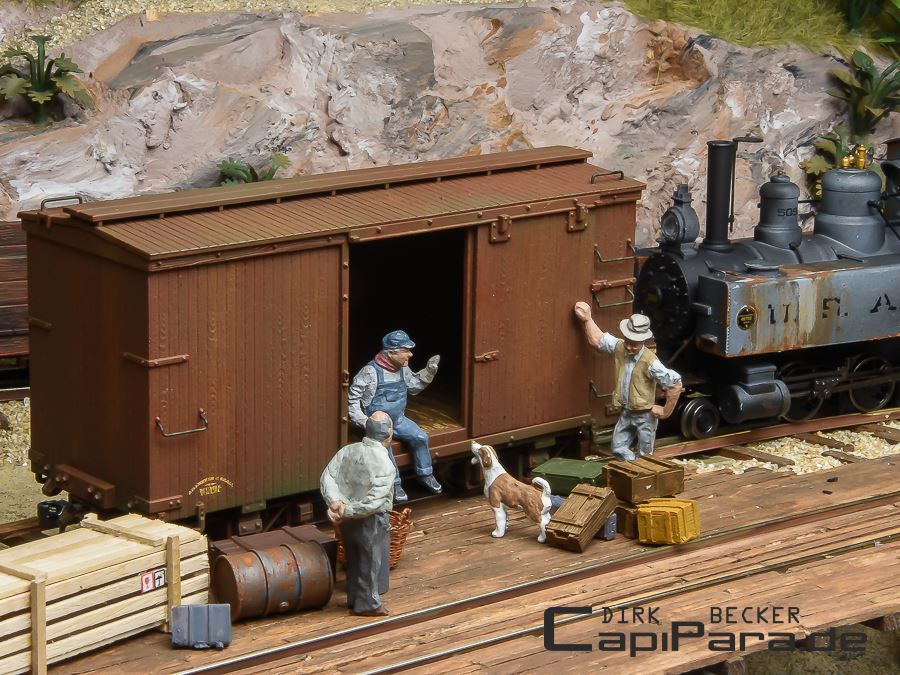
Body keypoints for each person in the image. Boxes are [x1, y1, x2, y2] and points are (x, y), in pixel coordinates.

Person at [573, 304, 683, 460]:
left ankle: (641, 472)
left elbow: (675, 383)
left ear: (643, 340)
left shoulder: (650, 362)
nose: (630, 347)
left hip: (645, 415)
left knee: (645, 455)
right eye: (628, 341)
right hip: (626, 412)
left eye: (635, 344)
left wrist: (666, 411)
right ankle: (632, 468)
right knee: (618, 448)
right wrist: (587, 319)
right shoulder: (620, 347)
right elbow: (597, 340)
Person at [347, 330, 442, 502]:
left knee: (421, 437)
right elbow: (353, 398)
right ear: (391, 353)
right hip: (379, 425)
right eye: (406, 350)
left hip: (398, 420)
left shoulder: (403, 368)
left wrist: (429, 371)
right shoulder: (370, 372)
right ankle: (395, 483)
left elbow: (414, 387)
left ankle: (426, 474)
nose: (410, 354)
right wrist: (364, 421)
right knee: (385, 448)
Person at [320, 411, 396, 617]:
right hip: (371, 520)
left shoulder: (348, 451)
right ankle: (368, 604)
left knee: (353, 557)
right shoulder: (385, 463)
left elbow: (328, 477)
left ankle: (354, 597)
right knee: (370, 561)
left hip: (347, 519)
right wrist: (348, 509)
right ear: (389, 433)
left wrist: (336, 502)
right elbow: (374, 501)